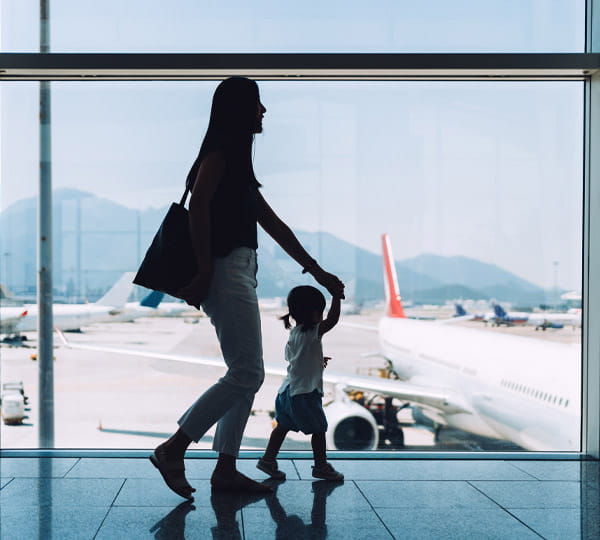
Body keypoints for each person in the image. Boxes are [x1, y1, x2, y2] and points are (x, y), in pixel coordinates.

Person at [149, 77, 345, 500]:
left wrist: (318, 272)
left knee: (245, 374)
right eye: (258, 103)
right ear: (240, 110)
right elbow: (198, 208)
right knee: (248, 373)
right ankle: (172, 449)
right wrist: (203, 271)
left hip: (237, 269)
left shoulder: (234, 163)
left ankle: (225, 470)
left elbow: (274, 226)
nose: (264, 111)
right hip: (224, 269)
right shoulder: (219, 156)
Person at [256, 285, 344, 482]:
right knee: (319, 429)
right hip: (305, 392)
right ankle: (321, 466)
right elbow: (333, 320)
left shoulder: (295, 333)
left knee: (283, 426)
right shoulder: (314, 332)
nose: (323, 316)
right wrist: (336, 297)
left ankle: (268, 459)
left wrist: (317, 359)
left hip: (287, 391)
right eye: (321, 311)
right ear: (314, 313)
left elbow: (293, 358)